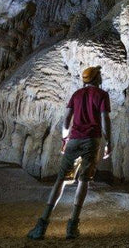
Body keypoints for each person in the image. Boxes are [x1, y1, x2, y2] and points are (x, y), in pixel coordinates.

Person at [27, 66, 112, 240]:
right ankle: (72, 226)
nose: (101, 77)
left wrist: (65, 139)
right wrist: (109, 141)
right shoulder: (102, 95)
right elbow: (105, 119)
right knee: (84, 181)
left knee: (62, 180)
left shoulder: (76, 95)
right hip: (91, 141)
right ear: (96, 78)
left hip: (74, 140)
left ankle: (42, 225)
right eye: (100, 75)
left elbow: (66, 119)